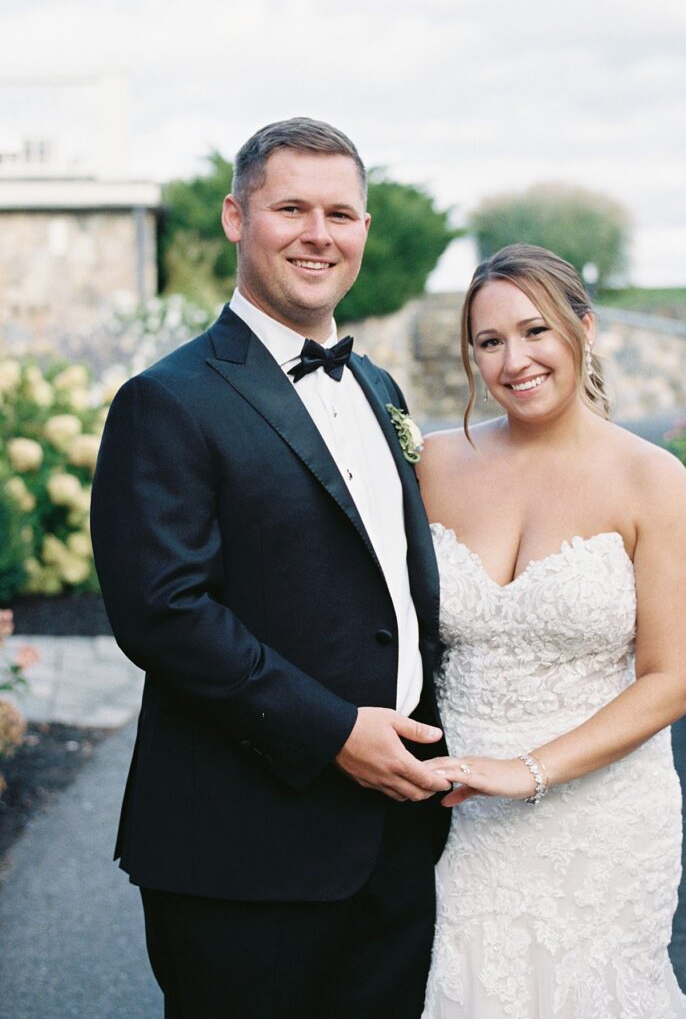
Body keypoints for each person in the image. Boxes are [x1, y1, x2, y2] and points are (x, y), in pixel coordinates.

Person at [90, 117, 451, 1019]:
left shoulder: (381, 391)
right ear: (234, 217)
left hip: (396, 845)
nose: (318, 233)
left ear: (366, 228)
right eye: (291, 207)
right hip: (242, 853)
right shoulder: (166, 400)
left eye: (341, 212)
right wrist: (333, 732)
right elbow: (163, 613)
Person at [417, 243, 686, 1018]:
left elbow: (670, 678)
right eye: (489, 341)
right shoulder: (433, 465)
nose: (514, 360)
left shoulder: (652, 478)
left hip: (602, 819)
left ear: (585, 329)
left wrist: (529, 769)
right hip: (459, 819)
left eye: (535, 331)